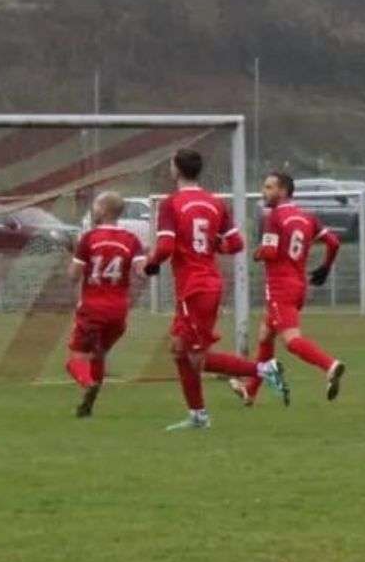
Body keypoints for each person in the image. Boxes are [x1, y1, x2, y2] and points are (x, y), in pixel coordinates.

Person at [207, 171, 346, 406]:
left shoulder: (274, 217)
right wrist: (325, 266)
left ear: (283, 191)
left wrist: (257, 252)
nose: (264, 191)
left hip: (280, 287)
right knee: (265, 336)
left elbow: (270, 252)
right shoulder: (306, 217)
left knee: (291, 340)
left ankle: (330, 366)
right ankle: (250, 392)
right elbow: (333, 242)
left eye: (269, 187)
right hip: (298, 285)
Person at [143, 148, 245, 431]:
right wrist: (216, 245)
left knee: (195, 358)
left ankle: (263, 370)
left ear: (175, 169)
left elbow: (164, 247)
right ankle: (197, 415)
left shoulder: (171, 204)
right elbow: (236, 244)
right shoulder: (215, 202)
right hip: (205, 283)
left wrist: (150, 264)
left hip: (194, 287)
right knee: (179, 350)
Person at [66, 191, 146, 417]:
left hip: (92, 308)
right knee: (98, 355)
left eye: (95, 205)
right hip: (118, 311)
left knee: (76, 360)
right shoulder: (132, 240)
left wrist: (73, 259)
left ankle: (88, 384)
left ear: (102, 210)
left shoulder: (89, 238)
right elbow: (142, 272)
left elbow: (73, 275)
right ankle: (88, 407)